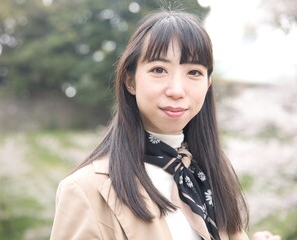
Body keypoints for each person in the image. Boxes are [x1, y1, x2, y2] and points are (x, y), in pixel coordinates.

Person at [50, 10, 280, 240]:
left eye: (194, 72)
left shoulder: (209, 175)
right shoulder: (84, 189)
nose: (176, 90)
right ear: (130, 80)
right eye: (159, 70)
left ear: (208, 84)